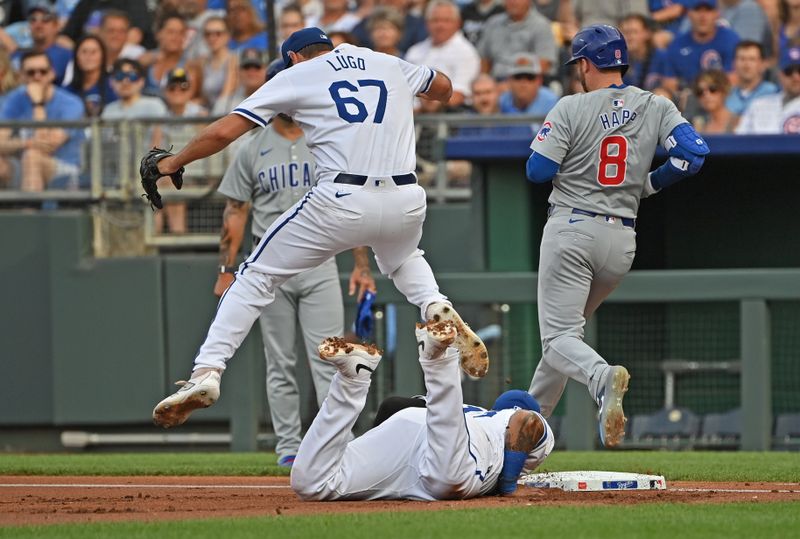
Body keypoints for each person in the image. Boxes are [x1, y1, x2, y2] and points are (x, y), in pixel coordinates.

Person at [150, 28, 490, 429]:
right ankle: (433, 304)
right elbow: (445, 89)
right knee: (402, 259)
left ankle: (207, 370)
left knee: (256, 277)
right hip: (406, 197)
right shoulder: (384, 62)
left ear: (293, 57)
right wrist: (412, 81)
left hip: (342, 197)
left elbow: (225, 131)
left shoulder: (297, 75)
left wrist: (171, 163)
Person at [525, 24, 709, 447]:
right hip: (621, 240)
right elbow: (694, 156)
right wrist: (649, 184)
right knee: (565, 340)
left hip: (573, 229)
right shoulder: (656, 105)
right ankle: (522, 432)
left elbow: (537, 172)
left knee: (559, 339)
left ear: (587, 64)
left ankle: (601, 377)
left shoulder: (571, 106)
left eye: (579, 65)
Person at [215, 60, 376, 467]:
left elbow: (350, 203)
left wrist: (361, 264)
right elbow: (236, 210)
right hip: (269, 266)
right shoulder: (252, 145)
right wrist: (226, 269)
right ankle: (288, 446)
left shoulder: (327, 139)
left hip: (319, 263)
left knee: (330, 356)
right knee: (280, 361)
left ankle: (338, 442)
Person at [291, 320, 554, 501]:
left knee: (312, 484)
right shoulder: (507, 419)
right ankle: (439, 357)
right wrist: (509, 488)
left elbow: (393, 406)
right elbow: (527, 421)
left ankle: (352, 380)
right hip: (461, 449)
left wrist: (376, 447)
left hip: (415, 426)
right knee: (447, 480)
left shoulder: (477, 412)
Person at [0, 50, 84, 192]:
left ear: (52, 74)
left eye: (43, 72)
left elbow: (48, 146)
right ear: (21, 76)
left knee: (32, 156)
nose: (37, 77)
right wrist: (27, 143)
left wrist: (37, 104)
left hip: (65, 169)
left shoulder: (71, 104)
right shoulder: (14, 99)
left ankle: (29, 213)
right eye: (31, 73)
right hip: (25, 166)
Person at [404, 0, 481, 109]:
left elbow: (459, 95)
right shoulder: (415, 51)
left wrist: (429, 103)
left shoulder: (466, 52)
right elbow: (405, 88)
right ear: (426, 23)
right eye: (435, 20)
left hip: (449, 117)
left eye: (446, 20)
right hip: (412, 115)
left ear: (458, 23)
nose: (440, 25)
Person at [661, 0, 740, 93]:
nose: (703, 16)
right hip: (686, 100)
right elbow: (669, 83)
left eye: (708, 10)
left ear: (717, 13)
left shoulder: (730, 40)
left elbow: (734, 80)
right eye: (697, 10)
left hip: (722, 99)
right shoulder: (677, 44)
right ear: (688, 14)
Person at [478, 0, 558, 80]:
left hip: (526, 82)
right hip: (494, 82)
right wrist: (485, 82)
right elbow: (484, 60)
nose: (513, 2)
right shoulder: (492, 23)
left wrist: (510, 86)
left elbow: (544, 65)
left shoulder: (542, 26)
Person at [736, 42, 800, 133]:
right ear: (780, 75)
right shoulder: (759, 105)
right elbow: (739, 140)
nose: (796, 77)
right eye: (789, 71)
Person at [12, 3, 72, 86]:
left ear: (56, 26)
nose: (38, 25)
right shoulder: (17, 54)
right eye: (33, 19)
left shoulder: (65, 55)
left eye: (45, 19)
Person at [64, 35, 117, 117]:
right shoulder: (67, 92)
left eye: (93, 52)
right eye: (84, 52)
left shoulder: (114, 86)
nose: (88, 57)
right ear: (76, 57)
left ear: (103, 56)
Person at [725, 40, 779, 115]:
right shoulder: (725, 96)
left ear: (763, 64)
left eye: (752, 59)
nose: (746, 65)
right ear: (733, 64)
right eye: (742, 59)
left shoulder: (774, 93)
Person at [498, 53, 558, 118]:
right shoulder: (501, 102)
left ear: (539, 81)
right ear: (509, 80)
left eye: (530, 77)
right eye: (518, 77)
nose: (523, 83)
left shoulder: (552, 104)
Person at [619, 13, 669, 91]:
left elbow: (670, 89)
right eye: (625, 32)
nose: (629, 37)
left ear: (647, 33)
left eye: (634, 32)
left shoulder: (662, 57)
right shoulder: (618, 60)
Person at [211, 47, 267, 116]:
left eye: (257, 67)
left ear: (266, 70)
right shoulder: (224, 103)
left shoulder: (274, 100)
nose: (251, 72)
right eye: (246, 67)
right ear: (238, 71)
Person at [198, 16, 239, 109]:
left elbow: (226, 95)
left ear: (228, 36)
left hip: (229, 110)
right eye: (208, 34)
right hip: (211, 112)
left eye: (218, 33)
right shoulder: (203, 62)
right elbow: (204, 98)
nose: (212, 38)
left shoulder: (233, 60)